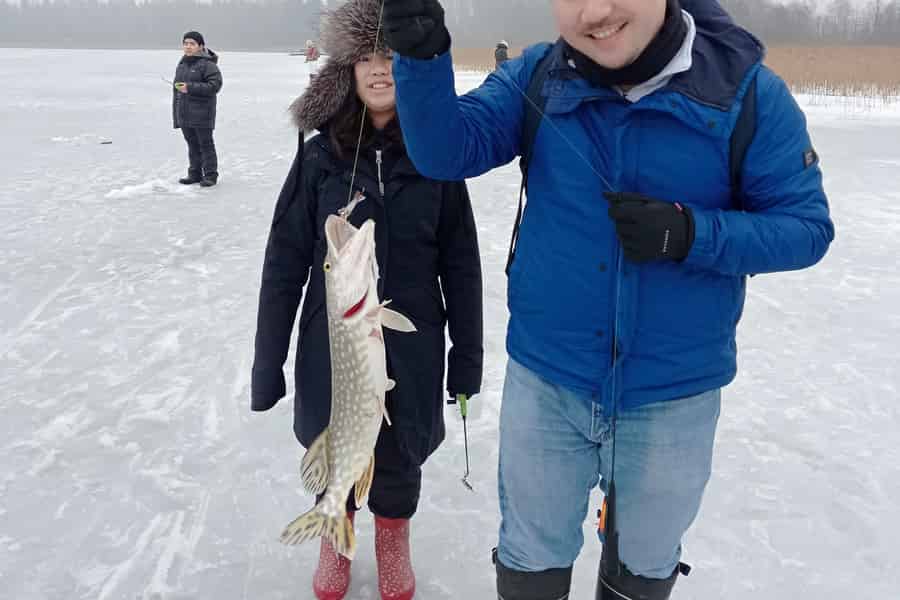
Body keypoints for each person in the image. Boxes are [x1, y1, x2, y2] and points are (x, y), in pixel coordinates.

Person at [380, 0, 835, 598]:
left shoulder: (746, 92)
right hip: (547, 382)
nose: (596, 11)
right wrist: (420, 59)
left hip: (673, 395)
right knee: (531, 555)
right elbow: (445, 151)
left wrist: (692, 234)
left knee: (644, 564)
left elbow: (806, 227)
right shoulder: (537, 77)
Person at [250, 1, 483, 599]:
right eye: (368, 58)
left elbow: (461, 264)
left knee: (401, 448)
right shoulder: (319, 158)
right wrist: (266, 360)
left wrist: (468, 354)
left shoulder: (439, 160)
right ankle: (336, 529)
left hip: (415, 340)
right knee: (335, 437)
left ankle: (392, 537)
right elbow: (282, 265)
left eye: (394, 57)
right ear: (348, 72)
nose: (381, 70)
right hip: (335, 341)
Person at [172, 31, 222, 187]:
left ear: (200, 46)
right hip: (185, 112)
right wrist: (176, 114)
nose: (188, 47)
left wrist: (190, 87)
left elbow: (214, 86)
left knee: (205, 145)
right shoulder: (182, 64)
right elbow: (177, 91)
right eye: (185, 43)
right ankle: (194, 174)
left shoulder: (208, 64)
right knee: (192, 145)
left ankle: (211, 175)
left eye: (192, 44)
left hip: (202, 113)